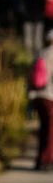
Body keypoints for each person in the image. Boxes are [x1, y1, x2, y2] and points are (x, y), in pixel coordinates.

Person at [31, 26, 53, 171]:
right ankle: (47, 160)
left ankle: (40, 159)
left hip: (37, 95)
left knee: (44, 128)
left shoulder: (40, 53)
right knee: (51, 130)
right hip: (50, 95)